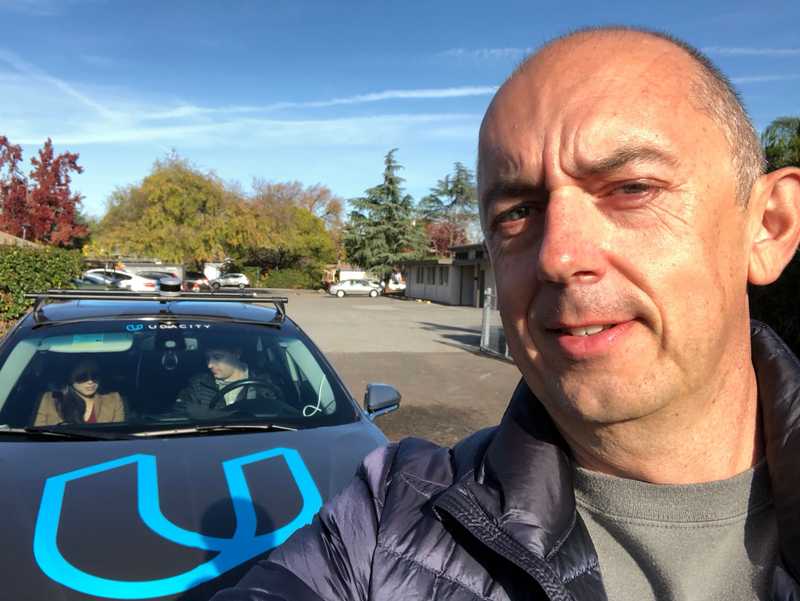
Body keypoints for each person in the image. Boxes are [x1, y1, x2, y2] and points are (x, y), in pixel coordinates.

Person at [212, 27, 800, 601]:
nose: (558, 257)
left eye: (631, 188)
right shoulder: (391, 524)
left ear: (769, 226)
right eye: (517, 212)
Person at [176, 344, 283, 412]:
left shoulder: (265, 383)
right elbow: (180, 414)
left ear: (237, 353)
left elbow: (280, 413)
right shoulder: (199, 384)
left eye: (217, 357)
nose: (209, 365)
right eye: (207, 358)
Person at [35, 359, 125, 425]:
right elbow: (38, 435)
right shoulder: (49, 399)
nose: (90, 381)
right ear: (69, 377)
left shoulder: (114, 399)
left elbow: (118, 435)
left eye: (95, 375)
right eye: (82, 377)